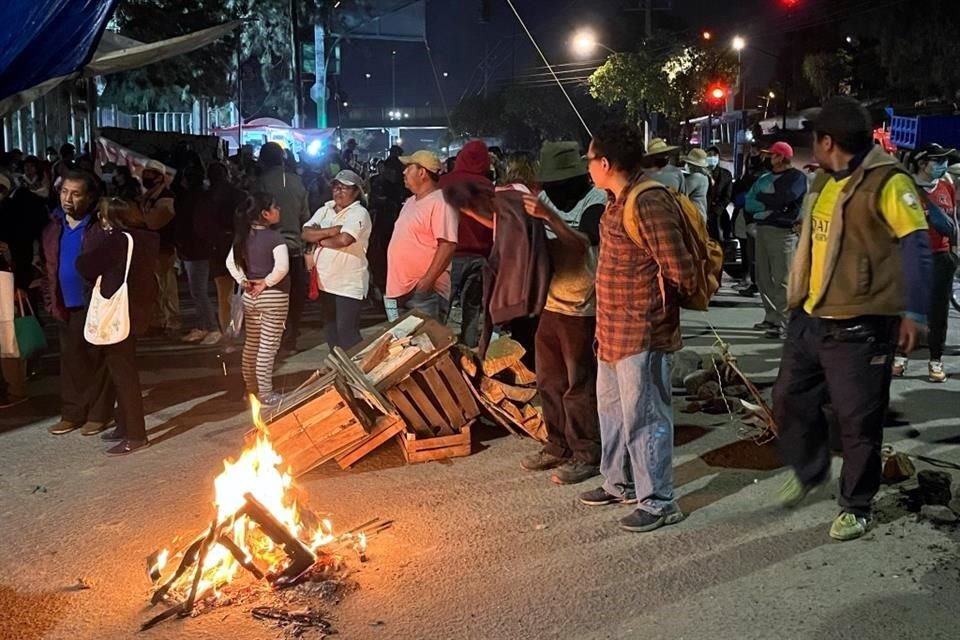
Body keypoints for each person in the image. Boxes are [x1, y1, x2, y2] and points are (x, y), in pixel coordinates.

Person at [775, 97, 932, 542]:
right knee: (789, 398)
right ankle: (810, 470)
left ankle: (856, 505)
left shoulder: (888, 182)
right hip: (810, 316)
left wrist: (915, 312)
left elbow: (917, 245)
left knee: (858, 421)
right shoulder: (827, 180)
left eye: (815, 138)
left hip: (861, 325)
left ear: (828, 141)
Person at [578, 123, 698, 533]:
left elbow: (680, 269)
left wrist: (652, 311)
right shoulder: (616, 200)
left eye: (590, 160)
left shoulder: (647, 202)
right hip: (612, 332)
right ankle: (619, 483)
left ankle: (659, 500)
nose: (588, 168)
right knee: (612, 413)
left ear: (606, 163)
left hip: (641, 333)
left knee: (645, 417)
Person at [518, 141, 606, 486]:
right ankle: (557, 444)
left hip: (584, 306)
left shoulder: (595, 201)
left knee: (579, 385)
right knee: (549, 380)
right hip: (552, 302)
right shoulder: (548, 199)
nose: (550, 187)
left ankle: (587, 452)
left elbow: (583, 242)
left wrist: (549, 217)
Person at [76, 198, 159, 455]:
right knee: (122, 370)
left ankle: (135, 434)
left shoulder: (118, 240)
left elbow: (85, 266)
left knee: (123, 374)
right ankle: (124, 426)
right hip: (137, 310)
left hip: (118, 312)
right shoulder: (146, 238)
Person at [43, 171, 115, 436]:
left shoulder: (98, 226)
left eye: (75, 193)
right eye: (64, 192)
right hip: (65, 303)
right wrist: (50, 301)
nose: (67, 199)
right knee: (71, 361)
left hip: (94, 303)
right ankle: (72, 413)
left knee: (96, 360)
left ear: (89, 197)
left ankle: (99, 414)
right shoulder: (54, 225)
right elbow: (47, 266)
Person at [892, 143, 958, 382]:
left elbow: (953, 222)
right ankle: (901, 357)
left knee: (938, 313)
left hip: (940, 257)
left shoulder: (947, 187)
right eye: (937, 161)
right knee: (906, 309)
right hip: (910, 257)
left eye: (944, 162)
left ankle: (935, 361)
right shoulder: (903, 188)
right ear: (922, 163)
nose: (942, 166)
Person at [225, 192, 290, 406]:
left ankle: (250, 390)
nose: (279, 210)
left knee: (252, 344)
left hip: (249, 297)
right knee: (268, 347)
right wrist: (267, 282)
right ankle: (266, 393)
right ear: (265, 214)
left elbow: (230, 263)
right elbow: (282, 268)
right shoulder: (275, 238)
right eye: (276, 207)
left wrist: (243, 280)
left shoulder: (243, 236)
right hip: (273, 297)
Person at [302, 170, 372, 350]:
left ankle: (358, 373)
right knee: (331, 331)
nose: (338, 192)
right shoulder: (325, 209)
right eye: (336, 187)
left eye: (345, 188)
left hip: (347, 283)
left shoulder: (358, 212)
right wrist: (331, 231)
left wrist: (319, 239)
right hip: (325, 282)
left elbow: (344, 240)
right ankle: (340, 370)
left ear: (356, 191)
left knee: (347, 333)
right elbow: (306, 233)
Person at [385, 150, 458, 321]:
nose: (403, 172)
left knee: (427, 345)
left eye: (409, 168)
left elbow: (447, 245)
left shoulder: (441, 202)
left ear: (422, 172)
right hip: (403, 290)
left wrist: (426, 282)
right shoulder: (411, 202)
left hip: (424, 293)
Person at [748, 142, 807, 338]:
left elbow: (786, 198)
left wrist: (765, 198)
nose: (768, 158)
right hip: (763, 230)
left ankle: (785, 322)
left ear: (781, 157)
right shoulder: (766, 178)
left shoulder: (797, 178)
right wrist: (769, 199)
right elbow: (751, 200)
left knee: (782, 278)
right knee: (763, 276)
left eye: (772, 155)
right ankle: (771, 317)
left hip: (782, 232)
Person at [254, 142, 309, 353]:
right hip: (294, 248)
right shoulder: (297, 182)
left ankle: (271, 342)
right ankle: (289, 340)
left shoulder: (259, 184)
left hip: (266, 251)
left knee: (269, 300)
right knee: (294, 299)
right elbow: (306, 217)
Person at [173, 164, 221, 345]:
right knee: (197, 291)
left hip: (195, 249)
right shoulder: (202, 197)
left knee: (199, 291)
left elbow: (198, 226)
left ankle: (212, 327)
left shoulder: (193, 199)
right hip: (194, 248)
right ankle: (204, 325)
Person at [201, 162, 245, 335]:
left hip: (217, 248)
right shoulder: (239, 195)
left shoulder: (206, 198)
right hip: (239, 246)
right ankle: (249, 333)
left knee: (223, 295)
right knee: (247, 291)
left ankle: (229, 336)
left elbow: (202, 227)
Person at [140, 160, 179, 336]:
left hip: (163, 247)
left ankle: (171, 321)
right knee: (154, 287)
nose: (146, 177)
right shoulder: (150, 195)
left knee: (166, 286)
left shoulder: (166, 197)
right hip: (151, 247)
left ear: (160, 178)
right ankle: (158, 320)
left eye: (150, 174)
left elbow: (154, 222)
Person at [705, 146, 734, 242]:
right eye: (709, 155)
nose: (712, 158)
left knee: (721, 239)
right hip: (704, 212)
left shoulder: (726, 174)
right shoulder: (701, 173)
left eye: (715, 155)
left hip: (719, 214)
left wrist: (717, 210)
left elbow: (727, 196)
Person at [681, 148, 710, 221]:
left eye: (688, 163)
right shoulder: (704, 177)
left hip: (694, 215)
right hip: (700, 214)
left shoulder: (696, 177)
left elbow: (682, 192)